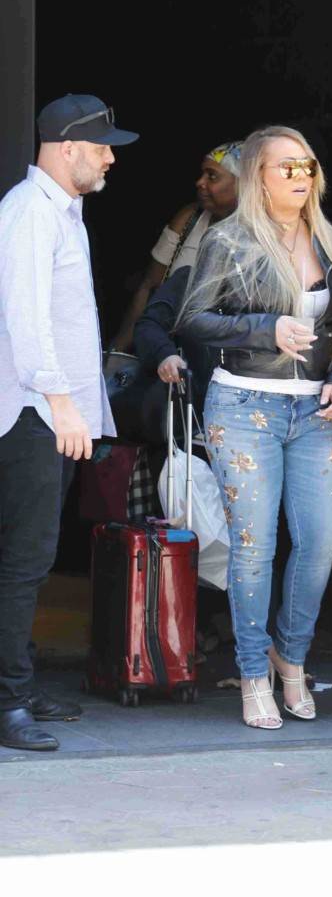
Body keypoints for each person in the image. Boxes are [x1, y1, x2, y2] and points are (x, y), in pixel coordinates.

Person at [178, 126, 332, 729]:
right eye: (287, 167)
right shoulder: (229, 239)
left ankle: (291, 658)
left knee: (322, 539)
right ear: (257, 175)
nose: (301, 176)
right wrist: (264, 329)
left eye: (307, 166)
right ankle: (254, 672)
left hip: (316, 409)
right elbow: (192, 318)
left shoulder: (329, 239)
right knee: (254, 546)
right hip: (244, 403)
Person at [0, 94, 138, 752]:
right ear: (68, 147)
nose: (111, 158)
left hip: (48, 414)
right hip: (32, 414)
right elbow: (26, 321)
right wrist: (60, 405)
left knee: (31, 558)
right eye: (103, 146)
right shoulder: (31, 212)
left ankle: (18, 685)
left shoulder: (61, 212)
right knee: (23, 561)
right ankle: (7, 701)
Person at [110, 141, 241, 352]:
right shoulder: (189, 219)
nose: (200, 182)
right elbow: (149, 286)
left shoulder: (263, 236)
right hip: (168, 351)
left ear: (242, 184)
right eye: (202, 174)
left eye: (212, 176)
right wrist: (118, 350)